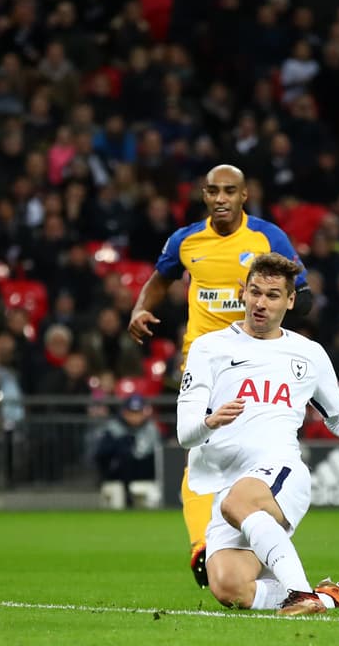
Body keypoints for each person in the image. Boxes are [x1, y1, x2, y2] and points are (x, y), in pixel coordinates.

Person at [176, 252, 339, 615]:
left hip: (279, 473)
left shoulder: (307, 353)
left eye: (272, 295)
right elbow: (184, 434)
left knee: (239, 502)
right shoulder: (210, 348)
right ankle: (329, 596)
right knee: (228, 586)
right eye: (254, 292)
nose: (260, 303)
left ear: (290, 300)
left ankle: (302, 595)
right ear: (242, 292)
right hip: (227, 484)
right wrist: (209, 421)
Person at [128, 164, 312, 588]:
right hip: (203, 362)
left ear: (245, 196)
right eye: (213, 191)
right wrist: (140, 308)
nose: (221, 198)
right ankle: (202, 546)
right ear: (204, 195)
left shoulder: (268, 238)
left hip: (257, 363)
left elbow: (300, 291)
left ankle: (254, 541)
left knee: (249, 456)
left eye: (230, 191)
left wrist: (288, 304)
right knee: (200, 456)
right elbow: (159, 280)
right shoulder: (187, 240)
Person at [92, 394, 164, 509]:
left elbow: (159, 456)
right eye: (131, 412)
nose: (135, 416)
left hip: (145, 479)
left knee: (154, 499)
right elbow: (101, 457)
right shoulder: (112, 429)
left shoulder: (151, 429)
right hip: (117, 480)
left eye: (138, 412)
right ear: (124, 412)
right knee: (117, 500)